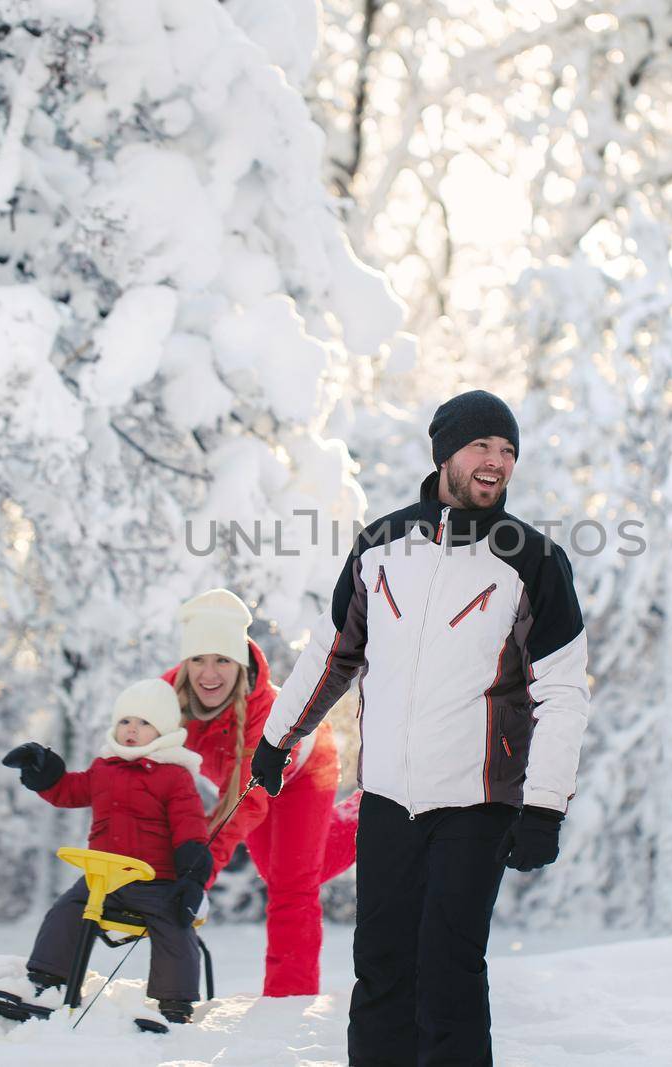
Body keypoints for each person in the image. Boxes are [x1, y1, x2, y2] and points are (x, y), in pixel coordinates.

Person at [250, 389, 593, 1066]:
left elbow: (562, 693)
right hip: (386, 797)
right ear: (445, 454)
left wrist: (545, 806)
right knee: (379, 969)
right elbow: (332, 652)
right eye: (481, 446)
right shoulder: (380, 546)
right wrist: (276, 738)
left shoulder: (534, 562)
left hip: (477, 802)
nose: (496, 461)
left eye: (508, 450)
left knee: (447, 971)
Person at [163, 588, 357, 997]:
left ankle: (289, 1000)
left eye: (222, 660)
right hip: (245, 786)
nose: (209, 673)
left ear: (241, 662)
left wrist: (202, 870)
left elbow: (244, 802)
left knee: (292, 885)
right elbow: (138, 756)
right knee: (282, 869)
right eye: (198, 659)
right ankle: (364, 816)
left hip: (303, 772)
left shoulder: (262, 710)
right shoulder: (167, 700)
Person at [0, 678, 212, 1025]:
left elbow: (190, 825)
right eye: (125, 721)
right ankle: (47, 980)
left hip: (154, 882)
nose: (132, 730)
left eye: (144, 723)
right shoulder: (104, 769)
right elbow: (70, 791)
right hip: (103, 881)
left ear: (164, 731)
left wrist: (191, 877)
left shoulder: (174, 777)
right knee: (66, 910)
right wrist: (45, 772)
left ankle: (175, 1003)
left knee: (175, 926)